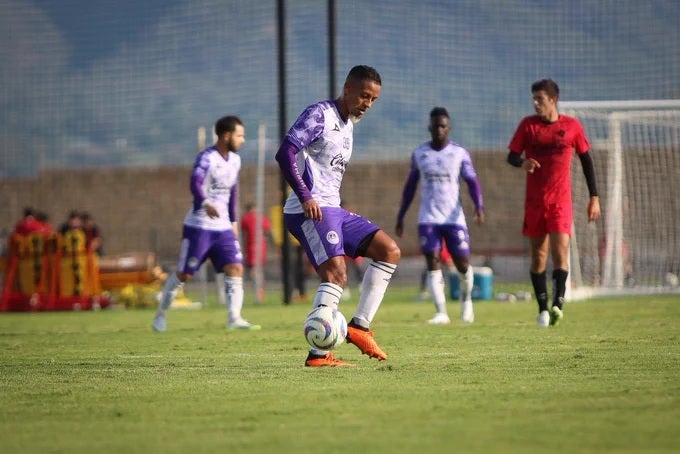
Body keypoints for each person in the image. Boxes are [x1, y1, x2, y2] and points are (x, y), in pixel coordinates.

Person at [275, 65, 401, 367]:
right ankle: (318, 355)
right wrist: (305, 196)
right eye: (363, 96)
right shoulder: (320, 114)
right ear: (347, 89)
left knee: (389, 251)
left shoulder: (349, 125)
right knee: (336, 275)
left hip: (334, 208)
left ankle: (359, 327)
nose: (367, 104)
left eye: (372, 100)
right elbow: (285, 152)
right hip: (310, 209)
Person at [152, 115, 260, 332]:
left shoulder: (236, 161)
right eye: (240, 136)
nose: (243, 140)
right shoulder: (206, 158)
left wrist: (233, 221)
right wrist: (205, 202)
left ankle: (234, 317)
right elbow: (195, 183)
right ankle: (160, 315)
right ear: (226, 135)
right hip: (199, 227)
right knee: (184, 274)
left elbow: (233, 192)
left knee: (235, 267)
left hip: (223, 229)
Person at [507, 79, 600, 327]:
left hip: (560, 202)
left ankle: (558, 305)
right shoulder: (528, 126)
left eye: (540, 99)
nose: (536, 103)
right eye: (534, 99)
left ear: (553, 100)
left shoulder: (571, 127)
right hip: (535, 203)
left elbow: (586, 160)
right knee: (538, 256)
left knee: (561, 254)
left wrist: (594, 197)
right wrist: (522, 163)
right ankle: (542, 309)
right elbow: (512, 156)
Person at [395, 107, 485, 325]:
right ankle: (441, 312)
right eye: (435, 126)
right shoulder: (419, 154)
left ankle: (466, 301)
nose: (439, 130)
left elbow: (472, 182)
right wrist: (401, 215)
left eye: (443, 126)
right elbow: (410, 186)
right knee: (432, 260)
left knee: (462, 263)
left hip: (454, 218)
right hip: (428, 218)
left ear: (449, 128)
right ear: (430, 127)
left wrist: (478, 206)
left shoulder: (459, 154)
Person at [240, 202, 273, 301]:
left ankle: (258, 289)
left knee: (254, 269)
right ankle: (259, 288)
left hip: (251, 246)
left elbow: (242, 232)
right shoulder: (261, 217)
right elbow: (268, 230)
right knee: (258, 269)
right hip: (261, 246)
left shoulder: (245, 218)